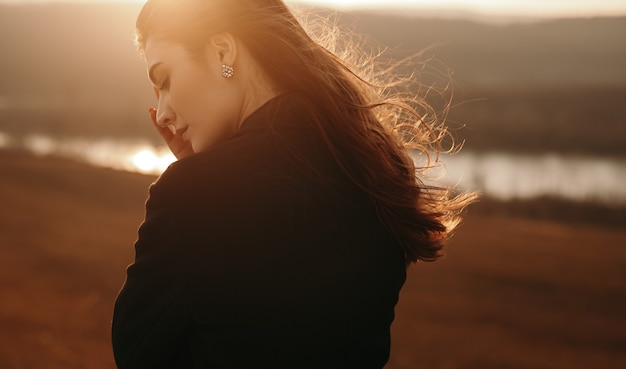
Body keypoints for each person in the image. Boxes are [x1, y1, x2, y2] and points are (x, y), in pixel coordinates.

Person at [112, 0, 475, 368]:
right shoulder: (374, 172)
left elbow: (137, 352)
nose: (165, 112)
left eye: (165, 81)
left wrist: (195, 183)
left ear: (222, 51)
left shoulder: (193, 195)